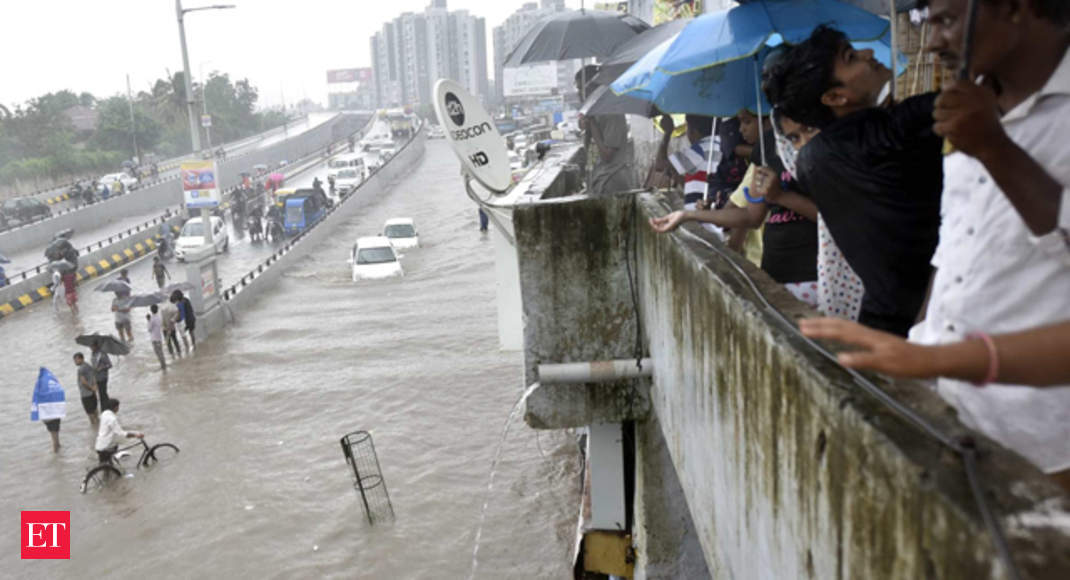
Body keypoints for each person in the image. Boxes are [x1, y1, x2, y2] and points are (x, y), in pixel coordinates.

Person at [899, 0, 1070, 480]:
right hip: (946, 407)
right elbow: (955, 248)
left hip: (1043, 439)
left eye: (948, 21)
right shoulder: (969, 105)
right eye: (928, 23)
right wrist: (919, 346)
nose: (932, 42)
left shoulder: (978, 125)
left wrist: (995, 149)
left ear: (1017, 9)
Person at [764, 25, 944, 336]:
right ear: (835, 96)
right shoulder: (907, 127)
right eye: (851, 57)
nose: (869, 53)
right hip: (930, 320)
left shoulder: (810, 161)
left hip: (880, 319)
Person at [650, 110, 820, 305]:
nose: (741, 129)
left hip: (814, 270)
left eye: (747, 121)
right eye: (793, 136)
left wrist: (781, 197)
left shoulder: (824, 154)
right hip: (775, 268)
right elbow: (750, 216)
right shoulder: (766, 154)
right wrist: (687, 215)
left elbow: (834, 217)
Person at [576, 65, 637, 196]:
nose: (578, 93)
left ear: (591, 86)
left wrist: (592, 124)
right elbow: (589, 148)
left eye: (580, 88)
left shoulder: (611, 113)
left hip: (612, 180)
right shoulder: (594, 112)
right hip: (599, 179)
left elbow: (607, 155)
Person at [94, 398, 143, 466]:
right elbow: (121, 433)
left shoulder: (104, 414)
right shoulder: (112, 419)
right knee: (109, 464)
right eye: (118, 407)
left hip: (99, 445)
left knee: (105, 465)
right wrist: (136, 435)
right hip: (106, 447)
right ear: (116, 407)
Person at [74, 352, 99, 432]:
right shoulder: (88, 366)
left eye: (76, 360)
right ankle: (98, 425)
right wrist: (94, 387)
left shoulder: (80, 369)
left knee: (89, 413)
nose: (75, 362)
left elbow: (83, 382)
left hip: (85, 394)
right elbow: (94, 377)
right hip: (92, 393)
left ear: (81, 358)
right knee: (95, 409)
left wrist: (90, 388)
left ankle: (94, 428)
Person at [90, 342, 112, 409]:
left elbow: (110, 365)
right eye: (90, 347)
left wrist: (102, 368)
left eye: (92, 346)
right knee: (101, 393)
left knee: (103, 393)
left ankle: (104, 408)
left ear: (96, 346)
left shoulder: (102, 354)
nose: (91, 348)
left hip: (103, 377)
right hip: (96, 377)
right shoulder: (93, 354)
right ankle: (107, 406)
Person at [147, 305, 166, 371]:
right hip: (159, 337)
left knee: (158, 353)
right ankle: (164, 365)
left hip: (154, 338)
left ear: (151, 310)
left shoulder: (152, 319)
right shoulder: (160, 317)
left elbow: (149, 329)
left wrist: (148, 320)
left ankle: (162, 366)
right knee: (161, 352)